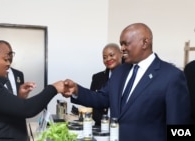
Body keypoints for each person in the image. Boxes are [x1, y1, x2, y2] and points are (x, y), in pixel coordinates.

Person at [63, 23, 191, 141]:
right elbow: (102, 97)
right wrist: (76, 91)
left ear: (145, 42)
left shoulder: (171, 76)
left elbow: (178, 126)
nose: (122, 48)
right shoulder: (120, 72)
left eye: (125, 44)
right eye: (121, 44)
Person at [90, 43, 122, 126]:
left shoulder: (130, 74)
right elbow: (92, 101)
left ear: (121, 54)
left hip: (121, 127)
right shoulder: (97, 77)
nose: (108, 59)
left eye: (111, 55)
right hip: (100, 126)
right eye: (104, 57)